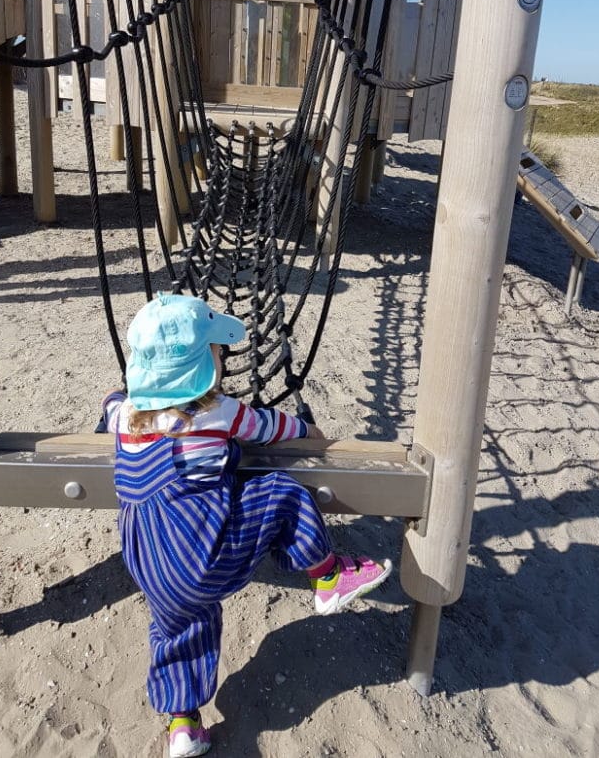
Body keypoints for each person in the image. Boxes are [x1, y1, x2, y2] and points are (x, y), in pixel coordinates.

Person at [102, 294, 392, 758]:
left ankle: (183, 726)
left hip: (148, 561)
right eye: (217, 352)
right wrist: (307, 431)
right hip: (202, 553)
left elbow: (112, 401)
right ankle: (328, 575)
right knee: (281, 491)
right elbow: (268, 426)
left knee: (178, 629)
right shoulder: (217, 413)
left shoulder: (123, 419)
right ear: (204, 366)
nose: (223, 357)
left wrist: (119, 395)